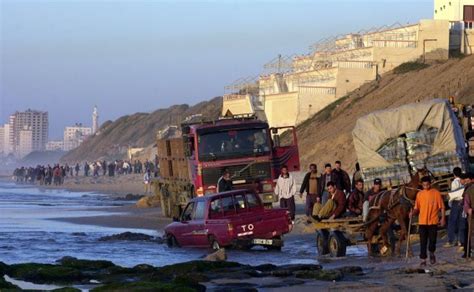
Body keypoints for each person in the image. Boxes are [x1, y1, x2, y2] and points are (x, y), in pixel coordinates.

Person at [410, 176, 445, 266]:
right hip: (422, 222)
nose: (426, 186)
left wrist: (443, 218)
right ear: (422, 185)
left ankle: (432, 253)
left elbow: (442, 207)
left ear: (430, 184)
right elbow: (416, 208)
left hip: (433, 221)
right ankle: (423, 259)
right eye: (424, 185)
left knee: (432, 241)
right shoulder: (419, 194)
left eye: (427, 184)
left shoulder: (436, 193)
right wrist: (412, 213)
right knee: (423, 241)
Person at [445, 168, 465, 247]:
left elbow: (454, 193)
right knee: (462, 221)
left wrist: (450, 200)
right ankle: (461, 241)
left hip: (456, 202)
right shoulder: (464, 181)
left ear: (454, 174)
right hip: (463, 202)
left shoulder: (454, 182)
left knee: (452, 221)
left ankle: (451, 240)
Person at [462, 173, 474, 258]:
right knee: (471, 233)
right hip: (472, 215)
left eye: (468, 180)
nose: (466, 182)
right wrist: (468, 209)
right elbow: (466, 203)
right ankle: (471, 251)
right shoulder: (468, 190)